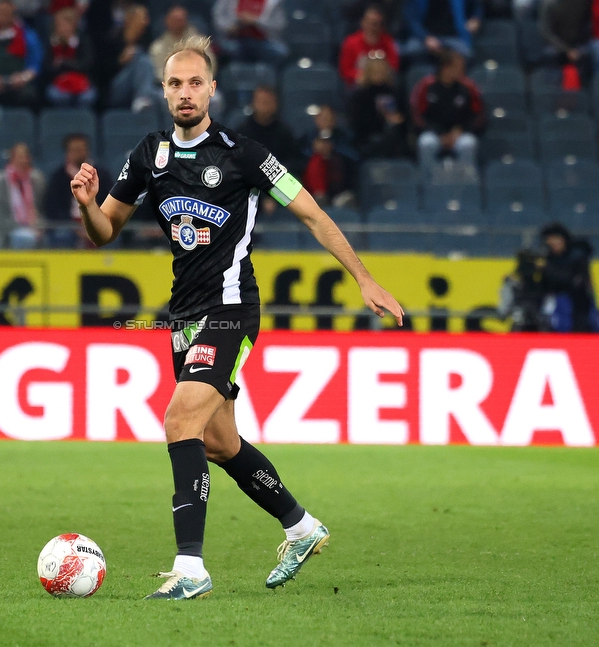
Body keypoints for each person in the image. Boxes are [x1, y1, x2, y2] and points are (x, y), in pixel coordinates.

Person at [69, 35, 404, 600]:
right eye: (175, 83)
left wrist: (363, 277)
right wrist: (86, 205)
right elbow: (105, 232)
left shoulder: (245, 154)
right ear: (164, 90)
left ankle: (190, 568)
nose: (185, 92)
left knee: (180, 422)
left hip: (230, 312)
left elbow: (315, 215)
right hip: (183, 318)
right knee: (220, 442)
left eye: (195, 82)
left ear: (212, 89)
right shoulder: (147, 156)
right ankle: (301, 527)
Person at [410, 49, 484, 169]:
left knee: (468, 144)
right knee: (426, 143)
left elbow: (479, 115)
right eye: (458, 67)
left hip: (460, 134)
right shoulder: (426, 85)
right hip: (434, 133)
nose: (462, 70)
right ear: (446, 67)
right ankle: (428, 180)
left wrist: (462, 130)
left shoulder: (468, 86)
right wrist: (439, 133)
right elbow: (417, 115)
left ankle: (466, 182)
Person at [45, 133, 107, 248]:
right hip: (68, 224)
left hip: (97, 222)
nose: (78, 153)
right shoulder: (59, 177)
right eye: (74, 150)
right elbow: (53, 208)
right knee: (62, 235)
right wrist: (74, 227)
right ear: (67, 152)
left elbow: (109, 202)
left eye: (81, 149)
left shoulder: (102, 175)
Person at [539, 222, 599, 332]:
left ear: (563, 239)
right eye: (549, 240)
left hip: (578, 305)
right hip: (557, 305)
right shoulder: (549, 258)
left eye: (555, 239)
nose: (552, 243)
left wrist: (547, 268)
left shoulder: (577, 257)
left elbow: (570, 280)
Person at [0, 142, 46, 249]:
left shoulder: (37, 179)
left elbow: (41, 207)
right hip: (5, 225)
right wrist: (17, 226)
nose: (23, 160)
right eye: (19, 157)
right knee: (24, 238)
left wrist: (38, 225)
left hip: (33, 225)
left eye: (25, 157)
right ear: (11, 159)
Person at [98, 3, 159, 113]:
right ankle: (142, 98)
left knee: (164, 96)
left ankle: (143, 99)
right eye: (143, 18)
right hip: (114, 89)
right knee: (142, 59)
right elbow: (101, 72)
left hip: (140, 86)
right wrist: (120, 61)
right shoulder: (113, 39)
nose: (146, 22)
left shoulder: (146, 39)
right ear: (131, 19)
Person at [348, 57, 409, 159]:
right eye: (375, 71)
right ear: (368, 73)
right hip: (368, 137)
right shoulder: (360, 95)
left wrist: (400, 118)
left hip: (397, 136)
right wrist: (383, 118)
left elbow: (406, 116)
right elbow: (357, 122)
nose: (379, 74)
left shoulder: (396, 92)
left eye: (382, 71)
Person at [41, 7, 95, 107]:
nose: (60, 28)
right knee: (57, 95)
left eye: (63, 24)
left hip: (81, 81)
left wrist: (63, 63)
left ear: (72, 25)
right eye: (58, 25)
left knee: (87, 97)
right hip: (58, 83)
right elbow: (47, 67)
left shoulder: (83, 41)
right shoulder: (52, 43)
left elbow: (86, 64)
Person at [149, 5, 216, 82]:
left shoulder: (199, 42)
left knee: (215, 94)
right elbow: (158, 71)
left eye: (180, 20)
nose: (178, 23)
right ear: (167, 21)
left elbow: (211, 64)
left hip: (198, 83)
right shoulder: (157, 47)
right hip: (169, 87)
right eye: (175, 20)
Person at [212, 0, 288, 67]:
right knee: (229, 49)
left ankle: (267, 79)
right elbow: (218, 16)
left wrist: (256, 21)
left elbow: (279, 24)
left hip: (264, 39)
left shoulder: (274, 2)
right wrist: (230, 27)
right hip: (234, 38)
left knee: (279, 51)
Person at [339, 5, 400, 87]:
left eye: (379, 24)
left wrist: (379, 76)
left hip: (383, 85)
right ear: (363, 22)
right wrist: (366, 77)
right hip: (358, 87)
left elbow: (393, 66)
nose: (375, 28)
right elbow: (345, 71)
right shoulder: (351, 42)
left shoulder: (388, 42)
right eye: (373, 24)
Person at [401, 0, 481, 62]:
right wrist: (425, 37)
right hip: (423, 38)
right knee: (408, 51)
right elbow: (411, 19)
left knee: (467, 54)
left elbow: (476, 7)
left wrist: (475, 18)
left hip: (453, 37)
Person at [538, 0, 593, 75]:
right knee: (550, 53)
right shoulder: (548, 4)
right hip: (557, 45)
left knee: (594, 51)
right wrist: (567, 50)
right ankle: (552, 85)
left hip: (579, 43)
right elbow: (546, 33)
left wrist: (577, 49)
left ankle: (588, 84)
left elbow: (588, 25)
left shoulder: (583, 3)